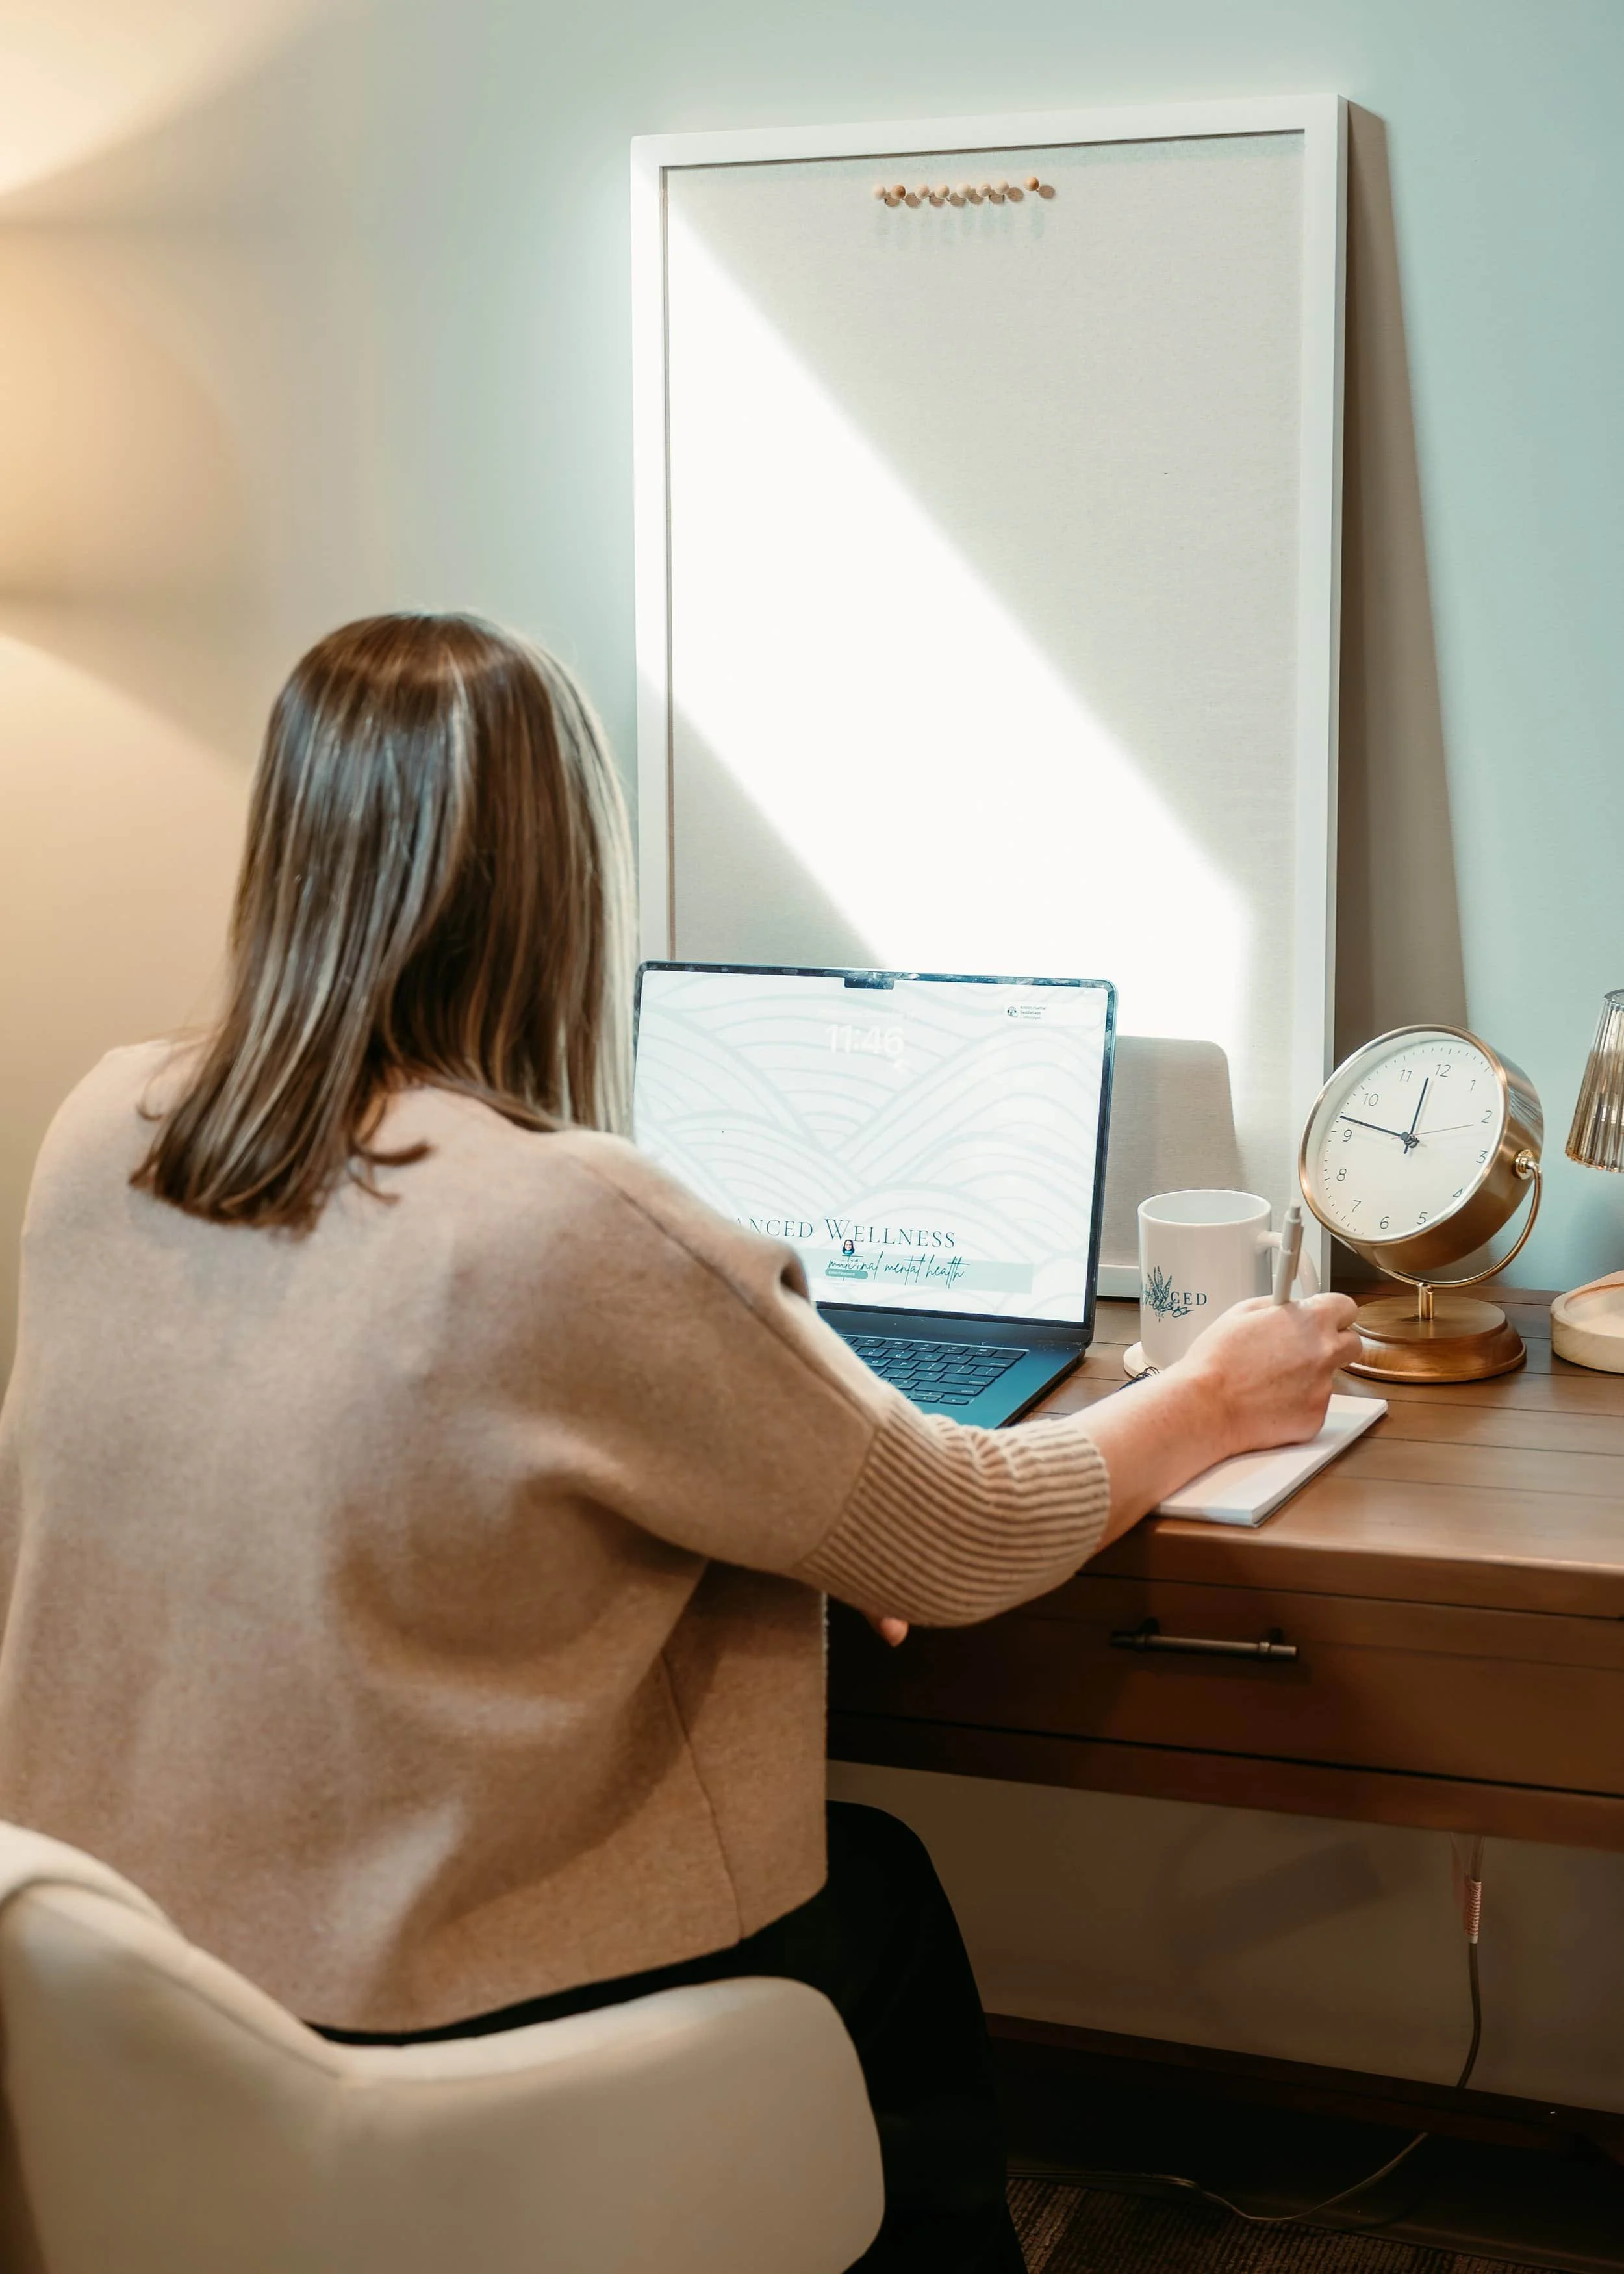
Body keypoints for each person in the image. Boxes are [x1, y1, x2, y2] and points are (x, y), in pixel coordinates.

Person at [0, 615, 1359, 2271]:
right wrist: (1212, 1393)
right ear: (563, 880)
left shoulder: (102, 1131)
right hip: (427, 2034)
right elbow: (958, 1537)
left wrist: (768, 1500)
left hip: (128, 2001)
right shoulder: (565, 1221)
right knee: (888, 1907)